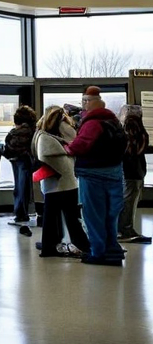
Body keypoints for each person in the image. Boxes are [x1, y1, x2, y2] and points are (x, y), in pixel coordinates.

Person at [65, 86, 127, 266]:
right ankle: (113, 250)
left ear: (88, 102)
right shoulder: (113, 121)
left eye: (85, 102)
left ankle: (98, 253)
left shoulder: (92, 123)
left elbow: (80, 146)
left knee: (93, 216)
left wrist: (67, 148)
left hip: (92, 175)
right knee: (111, 215)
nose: (83, 106)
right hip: (114, 173)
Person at [31, 106, 89, 258]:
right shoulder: (51, 135)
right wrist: (63, 120)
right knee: (71, 217)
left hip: (52, 183)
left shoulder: (41, 133)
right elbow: (73, 139)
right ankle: (83, 246)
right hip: (65, 181)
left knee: (51, 218)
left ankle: (49, 247)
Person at [4, 106, 37, 236]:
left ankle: (21, 215)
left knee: (20, 188)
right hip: (28, 160)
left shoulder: (19, 131)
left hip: (20, 160)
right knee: (25, 187)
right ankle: (25, 213)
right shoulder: (33, 129)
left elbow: (12, 146)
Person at [118, 113, 151, 243]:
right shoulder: (138, 138)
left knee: (128, 200)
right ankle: (125, 229)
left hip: (129, 173)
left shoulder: (125, 139)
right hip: (134, 173)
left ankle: (125, 228)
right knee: (129, 202)